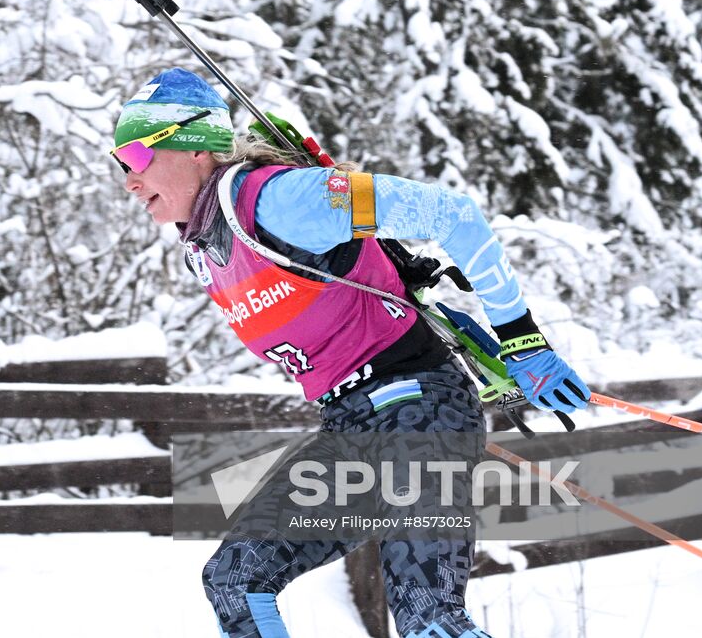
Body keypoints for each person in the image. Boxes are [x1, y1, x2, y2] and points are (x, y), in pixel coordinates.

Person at [111, 68, 590, 638]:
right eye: (120, 166)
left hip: (421, 411)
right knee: (236, 581)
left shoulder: (282, 201)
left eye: (137, 156)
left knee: (430, 623)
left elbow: (452, 214)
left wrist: (523, 339)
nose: (129, 181)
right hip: (351, 426)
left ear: (194, 146)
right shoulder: (205, 247)